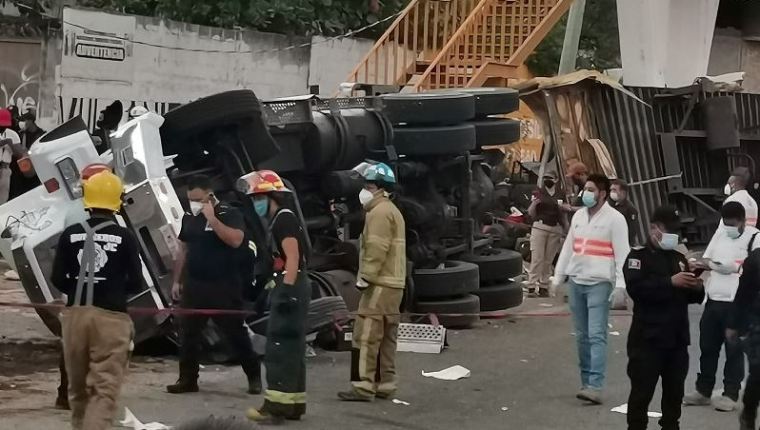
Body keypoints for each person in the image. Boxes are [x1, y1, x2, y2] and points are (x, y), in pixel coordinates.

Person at [51, 170, 141, 430]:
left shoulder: (70, 234)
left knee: (78, 391)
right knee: (103, 391)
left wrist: (80, 287)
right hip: (110, 318)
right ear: (117, 202)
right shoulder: (124, 238)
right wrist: (111, 289)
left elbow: (57, 277)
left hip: (75, 317)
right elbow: (136, 282)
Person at [167, 175, 261, 395]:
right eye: (191, 199)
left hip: (224, 286)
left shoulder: (230, 213)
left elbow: (236, 240)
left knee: (235, 333)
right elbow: (183, 249)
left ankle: (254, 376)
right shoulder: (190, 217)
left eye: (198, 199)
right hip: (195, 285)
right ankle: (187, 379)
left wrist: (213, 220)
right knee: (188, 334)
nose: (194, 204)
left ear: (210, 195)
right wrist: (176, 281)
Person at [624, 205, 705, 430]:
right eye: (668, 230)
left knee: (674, 395)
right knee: (641, 394)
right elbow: (637, 288)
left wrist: (696, 285)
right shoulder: (638, 257)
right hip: (648, 339)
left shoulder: (678, 258)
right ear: (654, 229)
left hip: (676, 340)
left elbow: (692, 297)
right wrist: (670, 282)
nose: (673, 236)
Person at [241, 170, 311, 424]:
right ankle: (293, 404)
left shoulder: (283, 220)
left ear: (273, 197)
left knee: (279, 348)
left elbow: (293, 257)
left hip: (292, 287)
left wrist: (286, 291)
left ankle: (275, 407)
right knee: (292, 348)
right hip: (292, 285)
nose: (256, 202)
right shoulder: (282, 219)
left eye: (259, 197)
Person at [553, 173, 630, 404]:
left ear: (602, 194)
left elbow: (622, 254)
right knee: (582, 336)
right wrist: (558, 277)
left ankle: (595, 385)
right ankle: (586, 382)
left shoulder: (615, 219)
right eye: (585, 189)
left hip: (599, 283)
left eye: (590, 190)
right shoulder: (578, 216)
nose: (585, 193)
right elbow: (569, 248)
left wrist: (621, 285)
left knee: (596, 335)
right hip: (577, 281)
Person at [337, 162, 407, 402]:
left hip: (379, 284)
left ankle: (363, 386)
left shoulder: (378, 213)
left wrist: (365, 277)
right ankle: (385, 384)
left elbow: (376, 249)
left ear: (377, 187)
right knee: (387, 335)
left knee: (366, 335)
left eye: (367, 185)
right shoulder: (392, 210)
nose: (363, 190)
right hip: (394, 284)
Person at [682, 202, 760, 412]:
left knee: (733, 349)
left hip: (736, 301)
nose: (728, 228)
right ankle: (703, 390)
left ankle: (731, 393)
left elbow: (751, 269)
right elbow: (707, 258)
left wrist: (729, 267)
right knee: (708, 347)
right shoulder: (720, 234)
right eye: (725, 224)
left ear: (743, 221)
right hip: (714, 297)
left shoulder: (755, 238)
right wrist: (700, 263)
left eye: (732, 224)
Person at [54, 163, 113, 411]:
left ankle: (65, 394)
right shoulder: (98, 213)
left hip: (77, 293)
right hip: (102, 294)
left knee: (73, 344)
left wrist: (71, 287)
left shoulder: (73, 210)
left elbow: (62, 264)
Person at [728, 247, 760, 429]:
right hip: (757, 323)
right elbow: (743, 294)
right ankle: (749, 411)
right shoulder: (756, 258)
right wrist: (733, 324)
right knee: (758, 373)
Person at [527, 171, 566, 297]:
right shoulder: (538, 192)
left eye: (549, 178)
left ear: (556, 180)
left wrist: (566, 228)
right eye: (545, 178)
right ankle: (532, 285)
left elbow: (563, 213)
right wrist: (534, 204)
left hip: (555, 227)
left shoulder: (560, 193)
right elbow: (531, 213)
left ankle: (544, 285)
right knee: (537, 257)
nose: (547, 180)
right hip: (540, 225)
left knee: (548, 259)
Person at [9, 109, 44, 199]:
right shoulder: (21, 134)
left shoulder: (41, 135)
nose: (21, 123)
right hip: (20, 172)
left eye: (24, 120)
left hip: (34, 173)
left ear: (30, 121)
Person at [610, 179, 640, 245]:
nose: (611, 192)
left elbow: (632, 231)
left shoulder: (630, 209)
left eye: (614, 190)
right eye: (611, 190)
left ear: (623, 192)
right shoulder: (612, 205)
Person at [0, 108, 20, 204]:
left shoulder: (13, 134)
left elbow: (18, 154)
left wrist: (10, 144)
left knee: (3, 199)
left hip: (5, 168)